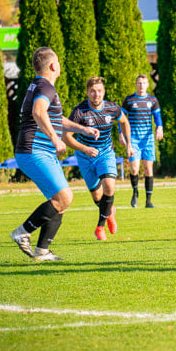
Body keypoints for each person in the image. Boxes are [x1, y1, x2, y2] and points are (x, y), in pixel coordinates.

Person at [9, 47, 99, 261]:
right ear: (53, 66)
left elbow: (55, 119)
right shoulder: (45, 86)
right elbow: (38, 112)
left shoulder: (40, 86)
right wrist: (55, 138)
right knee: (64, 197)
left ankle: (41, 251)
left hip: (38, 151)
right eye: (58, 61)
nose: (59, 64)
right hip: (35, 150)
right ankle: (22, 232)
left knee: (60, 201)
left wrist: (83, 129)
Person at [64, 77, 134, 241]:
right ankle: (110, 212)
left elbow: (124, 121)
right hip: (84, 155)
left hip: (105, 152)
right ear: (88, 92)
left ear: (104, 92)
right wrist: (84, 149)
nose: (97, 94)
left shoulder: (112, 108)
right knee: (97, 196)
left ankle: (100, 227)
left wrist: (128, 143)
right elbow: (66, 136)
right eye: (93, 91)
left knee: (109, 186)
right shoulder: (79, 111)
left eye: (100, 91)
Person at [121, 74, 163, 208]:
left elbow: (157, 116)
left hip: (148, 138)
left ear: (147, 85)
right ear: (135, 84)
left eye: (143, 83)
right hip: (133, 138)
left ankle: (148, 200)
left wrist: (160, 127)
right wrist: (121, 133)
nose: (141, 85)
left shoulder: (152, 100)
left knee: (148, 168)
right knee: (134, 168)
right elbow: (121, 118)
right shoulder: (129, 100)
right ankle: (135, 193)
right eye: (139, 83)